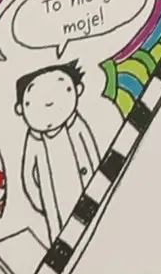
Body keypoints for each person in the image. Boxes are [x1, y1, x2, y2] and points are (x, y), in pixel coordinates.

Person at [14, 60, 102, 246]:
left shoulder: (76, 124)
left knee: (95, 226)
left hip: (86, 187)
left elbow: (91, 151)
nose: (49, 102)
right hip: (55, 199)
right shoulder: (35, 140)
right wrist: (42, 202)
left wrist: (97, 181)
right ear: (21, 109)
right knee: (63, 236)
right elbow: (28, 175)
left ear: (77, 90)